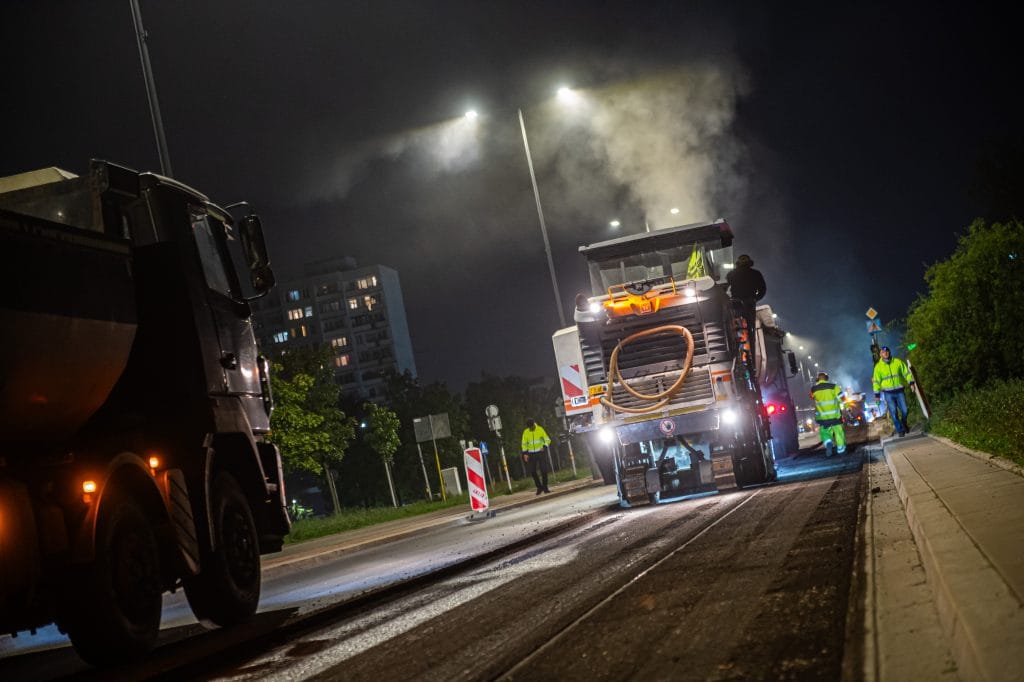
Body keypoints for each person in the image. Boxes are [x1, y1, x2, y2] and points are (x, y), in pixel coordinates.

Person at [726, 254, 766, 367]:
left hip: (736, 304)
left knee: (734, 328)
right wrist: (755, 299)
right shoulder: (756, 274)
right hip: (749, 304)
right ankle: (750, 351)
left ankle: (737, 343)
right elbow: (762, 290)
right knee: (750, 329)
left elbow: (725, 287)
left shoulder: (731, 274)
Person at [873, 345, 916, 437]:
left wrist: (911, 383)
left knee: (905, 410)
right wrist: (877, 395)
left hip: (899, 391)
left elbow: (906, 373)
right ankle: (900, 430)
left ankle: (904, 422)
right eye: (883, 352)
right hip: (888, 393)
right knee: (893, 412)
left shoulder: (897, 362)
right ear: (880, 354)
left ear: (889, 352)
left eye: (887, 351)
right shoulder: (878, 367)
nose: (885, 353)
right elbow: (876, 382)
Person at [811, 371, 846, 457]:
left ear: (817, 379)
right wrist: (848, 407)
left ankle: (828, 443)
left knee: (824, 432)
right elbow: (842, 398)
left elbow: (812, 397)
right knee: (838, 433)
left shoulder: (814, 389)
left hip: (823, 418)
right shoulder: (834, 387)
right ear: (827, 379)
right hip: (835, 416)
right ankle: (841, 450)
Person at [521, 418, 552, 495]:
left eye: (532, 427)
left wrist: (544, 446)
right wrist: (525, 453)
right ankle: (539, 487)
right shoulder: (526, 432)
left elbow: (547, 440)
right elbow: (524, 444)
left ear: (534, 424)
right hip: (531, 454)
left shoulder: (540, 429)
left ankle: (545, 487)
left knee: (544, 470)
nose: (531, 428)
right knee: (532, 471)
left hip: (540, 453)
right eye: (529, 427)